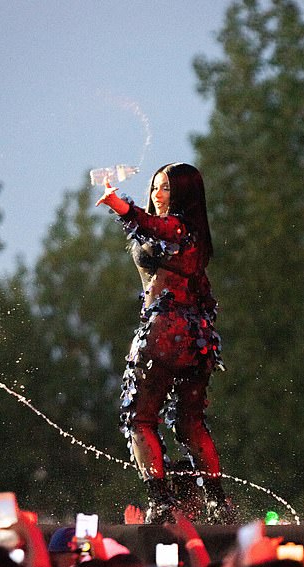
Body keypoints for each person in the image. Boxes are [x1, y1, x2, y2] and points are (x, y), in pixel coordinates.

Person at [96, 163, 235, 524]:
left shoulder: (178, 228)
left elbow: (157, 226)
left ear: (184, 196)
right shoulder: (197, 238)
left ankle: (161, 502)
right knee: (190, 421)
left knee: (140, 418)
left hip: (164, 334)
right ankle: (218, 502)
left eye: (167, 190)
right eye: (156, 187)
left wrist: (118, 203)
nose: (158, 195)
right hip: (198, 339)